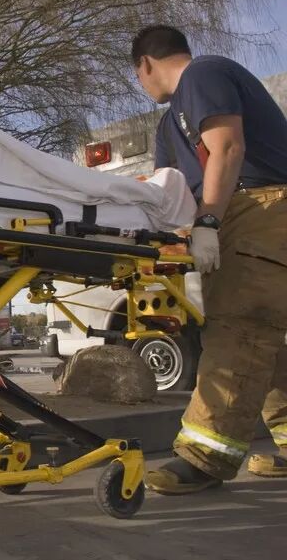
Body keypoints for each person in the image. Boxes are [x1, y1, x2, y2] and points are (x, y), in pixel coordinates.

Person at [131, 25, 287, 495]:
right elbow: (169, 190)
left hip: (262, 207)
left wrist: (209, 221)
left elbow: (228, 147)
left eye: (139, 76)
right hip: (233, 216)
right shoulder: (168, 126)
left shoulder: (204, 74)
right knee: (268, 341)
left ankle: (204, 458)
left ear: (145, 65)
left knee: (242, 329)